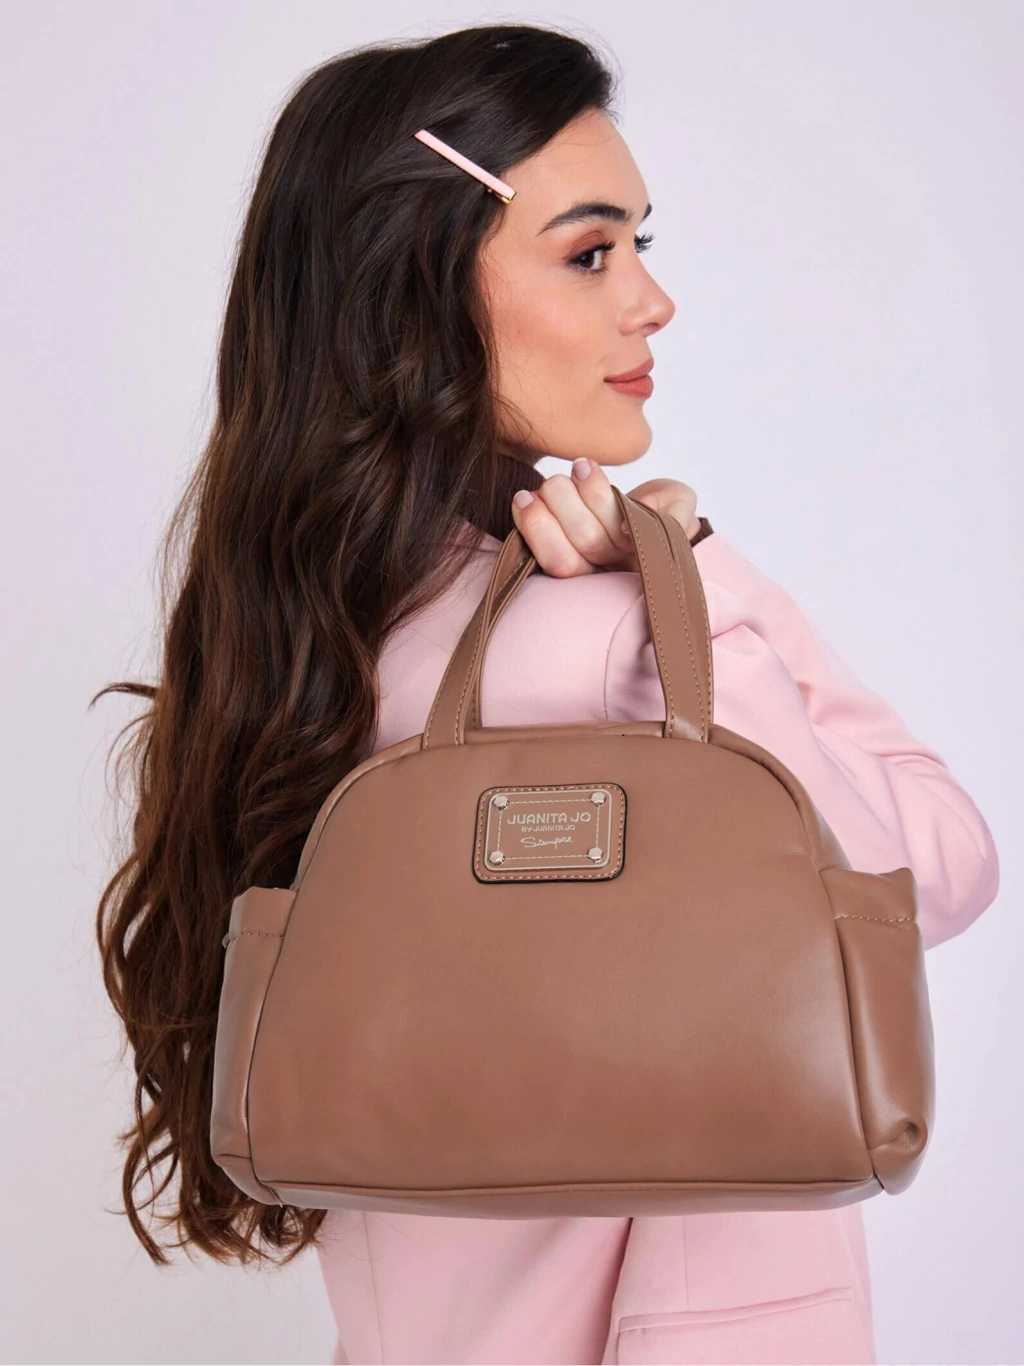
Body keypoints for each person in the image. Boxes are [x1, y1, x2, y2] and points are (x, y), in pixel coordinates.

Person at [93, 22, 1000, 1366]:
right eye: (590, 254)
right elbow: (931, 868)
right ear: (414, 292)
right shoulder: (623, 633)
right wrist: (696, 575)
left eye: (642, 244)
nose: (652, 300)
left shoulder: (277, 649)